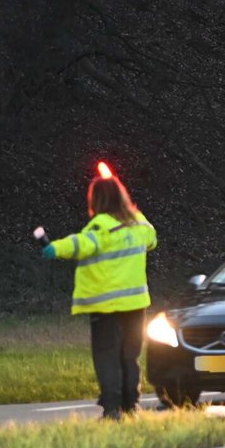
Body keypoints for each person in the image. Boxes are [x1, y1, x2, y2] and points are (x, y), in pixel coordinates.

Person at [42, 167, 158, 418]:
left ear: (96, 200)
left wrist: (54, 248)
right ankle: (131, 407)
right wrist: (133, 209)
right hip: (136, 305)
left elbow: (81, 244)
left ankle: (112, 409)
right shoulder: (139, 226)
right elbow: (152, 236)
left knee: (107, 356)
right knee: (130, 357)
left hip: (106, 307)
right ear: (122, 197)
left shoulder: (101, 226)